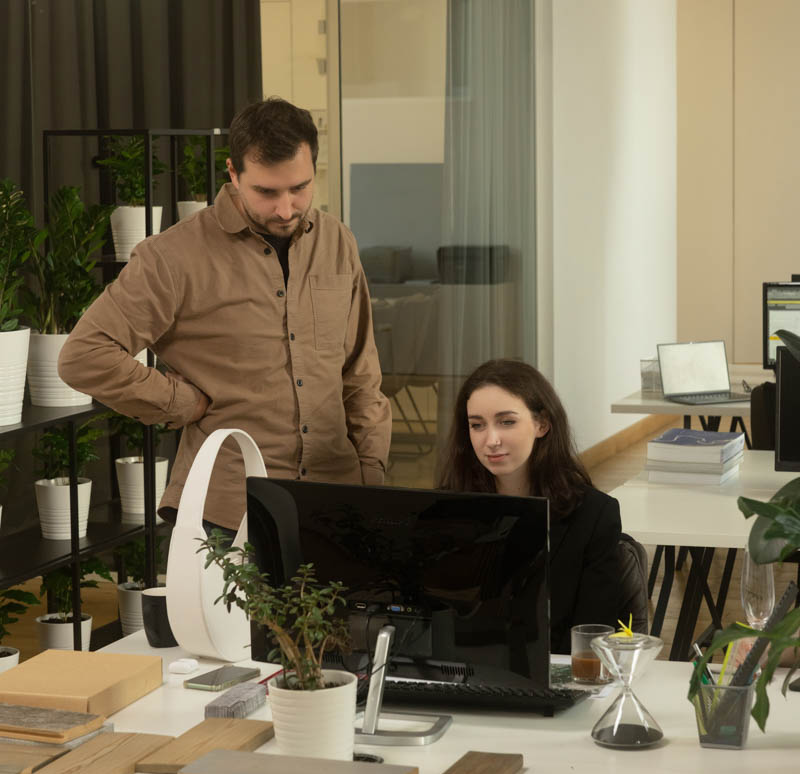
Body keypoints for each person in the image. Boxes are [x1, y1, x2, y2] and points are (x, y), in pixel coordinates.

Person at [59, 97, 392, 532]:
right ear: (233, 173)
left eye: (299, 188)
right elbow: (84, 355)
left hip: (337, 501)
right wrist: (181, 403)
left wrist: (371, 476)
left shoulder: (337, 242)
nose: (286, 209)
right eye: (266, 192)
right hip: (228, 510)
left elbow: (360, 373)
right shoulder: (172, 256)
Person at [437, 358, 622, 654]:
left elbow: (593, 639)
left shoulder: (594, 515)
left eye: (506, 422)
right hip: (464, 672)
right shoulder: (445, 510)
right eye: (477, 425)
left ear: (542, 424)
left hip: (557, 674)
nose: (491, 440)